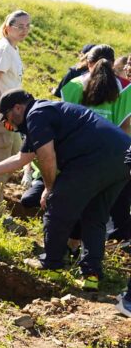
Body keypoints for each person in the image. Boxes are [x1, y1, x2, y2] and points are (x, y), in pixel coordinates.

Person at [0, 89, 130, 292]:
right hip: (123, 158)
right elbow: (22, 159)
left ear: (18, 108)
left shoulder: (36, 115)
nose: (10, 126)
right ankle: (91, 275)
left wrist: (49, 188)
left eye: (9, 120)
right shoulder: (45, 113)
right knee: (95, 216)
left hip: (94, 159)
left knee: (56, 207)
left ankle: (52, 265)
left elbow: (47, 158)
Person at [60, 44, 131, 241]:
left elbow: (63, 122)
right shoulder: (126, 88)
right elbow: (126, 127)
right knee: (97, 213)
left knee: (73, 202)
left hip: (77, 155)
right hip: (111, 157)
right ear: (113, 62)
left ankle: (68, 247)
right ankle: (91, 263)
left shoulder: (73, 85)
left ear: (88, 63)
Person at [0, 9, 31, 219]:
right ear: (8, 27)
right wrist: (4, 114)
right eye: (20, 26)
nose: (24, 30)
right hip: (0, 115)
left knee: (10, 162)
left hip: (10, 116)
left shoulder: (13, 48)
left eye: (28, 26)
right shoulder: (3, 49)